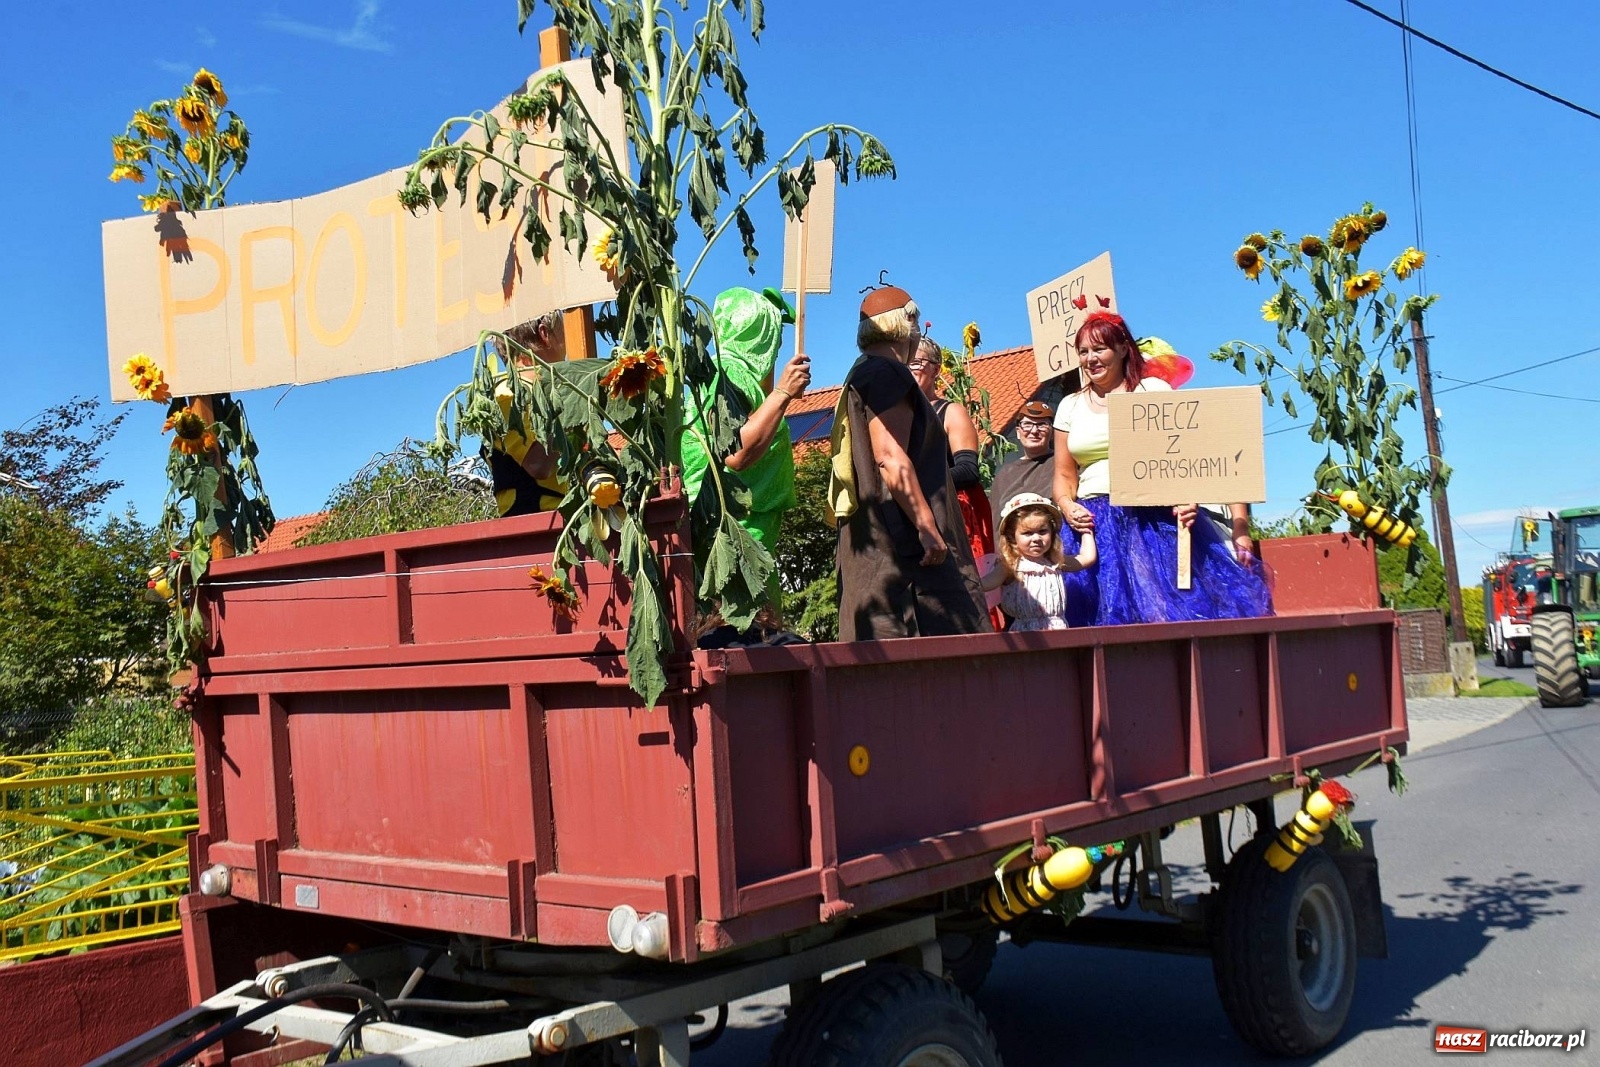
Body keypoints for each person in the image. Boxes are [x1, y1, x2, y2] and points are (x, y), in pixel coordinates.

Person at [1052, 311, 1271, 626]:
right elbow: (1063, 475)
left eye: (1100, 349)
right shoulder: (1070, 406)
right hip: (1093, 523)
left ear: (1124, 348)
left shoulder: (1151, 390)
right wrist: (1066, 505)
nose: (1091, 359)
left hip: (1152, 517)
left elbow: (1188, 455)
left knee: (1171, 609)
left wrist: (1189, 496)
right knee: (1100, 614)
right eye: (1083, 352)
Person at [833, 285, 990, 640]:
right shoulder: (888, 373)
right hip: (905, 557)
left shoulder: (860, 374)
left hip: (877, 552)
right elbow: (889, 457)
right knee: (941, 660)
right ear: (906, 323)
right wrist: (926, 527)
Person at [681, 286, 810, 583]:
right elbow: (736, 453)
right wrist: (782, 394)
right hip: (734, 533)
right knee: (743, 622)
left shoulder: (735, 377)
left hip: (746, 530)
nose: (775, 351)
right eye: (772, 341)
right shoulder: (729, 373)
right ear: (756, 336)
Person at [908, 336, 995, 573]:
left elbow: (968, 470)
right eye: (904, 362)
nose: (909, 368)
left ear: (936, 369)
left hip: (951, 513)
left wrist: (914, 482)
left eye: (916, 362)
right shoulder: (897, 417)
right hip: (911, 516)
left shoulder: (950, 412)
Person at [488, 310, 569, 516]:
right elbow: (538, 464)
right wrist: (572, 405)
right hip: (536, 526)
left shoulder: (544, 391)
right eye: (563, 329)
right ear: (545, 334)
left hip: (564, 520)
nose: (568, 337)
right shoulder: (506, 395)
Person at [981, 493, 1097, 632]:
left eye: (1042, 531)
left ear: (1052, 533)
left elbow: (1086, 558)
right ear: (1012, 537)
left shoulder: (1055, 561)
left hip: (1058, 631)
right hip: (1026, 636)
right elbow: (984, 584)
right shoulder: (1010, 566)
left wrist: (1086, 530)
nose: (1036, 538)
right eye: (1028, 533)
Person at [988, 400, 1057, 516]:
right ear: (1018, 432)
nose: (1034, 431)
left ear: (1052, 433)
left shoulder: (1061, 463)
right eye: (1027, 424)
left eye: (1042, 425)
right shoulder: (1005, 474)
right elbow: (994, 517)